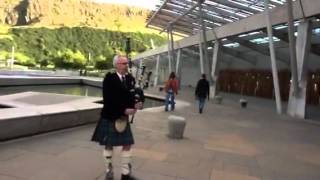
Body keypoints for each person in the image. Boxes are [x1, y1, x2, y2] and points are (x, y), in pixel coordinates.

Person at [91, 55, 143, 180]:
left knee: (127, 144)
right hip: (111, 115)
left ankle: (125, 174)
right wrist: (124, 109)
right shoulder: (109, 79)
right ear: (116, 65)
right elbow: (109, 100)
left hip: (123, 118)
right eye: (123, 63)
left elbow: (132, 95)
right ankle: (109, 172)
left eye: (126, 63)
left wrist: (137, 103)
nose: (126, 65)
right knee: (109, 145)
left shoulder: (130, 78)